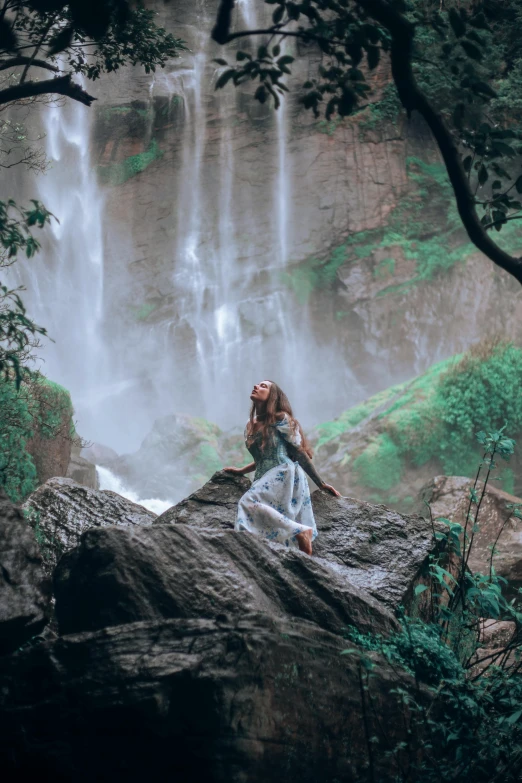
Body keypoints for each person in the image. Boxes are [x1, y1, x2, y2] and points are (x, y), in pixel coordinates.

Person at [224, 380, 340, 555]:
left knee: (247, 502)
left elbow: (299, 453)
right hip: (264, 476)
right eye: (257, 384)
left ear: (273, 396)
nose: (256, 386)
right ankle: (299, 550)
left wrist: (321, 483)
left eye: (264, 386)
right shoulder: (250, 425)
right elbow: (262, 458)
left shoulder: (281, 419)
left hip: (284, 473)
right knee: (266, 520)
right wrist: (241, 471)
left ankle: (301, 531)